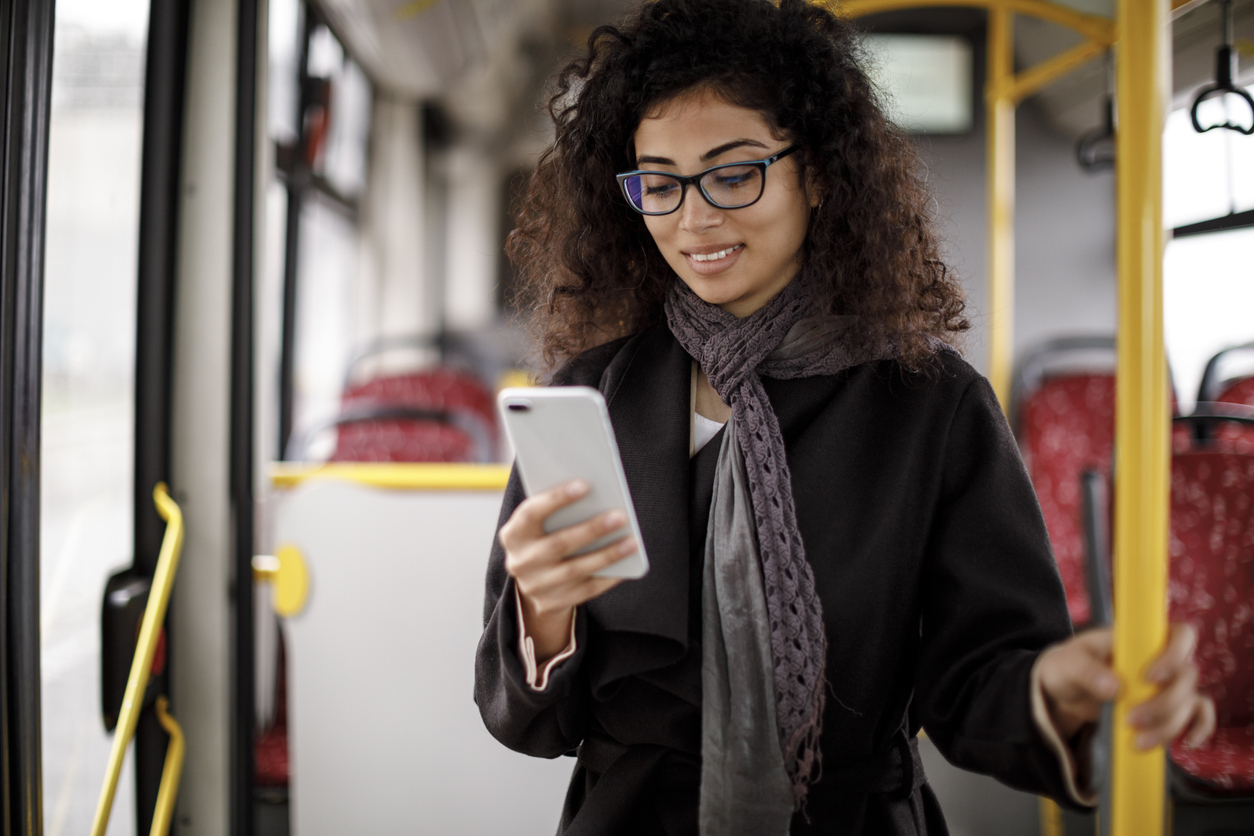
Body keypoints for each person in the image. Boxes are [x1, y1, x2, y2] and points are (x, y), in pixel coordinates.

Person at [474, 1, 1214, 833]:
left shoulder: (931, 405)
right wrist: (541, 612)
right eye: (659, 182)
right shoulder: (593, 395)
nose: (691, 218)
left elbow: (981, 679)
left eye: (733, 172)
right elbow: (526, 723)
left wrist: (1053, 689)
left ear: (817, 171)